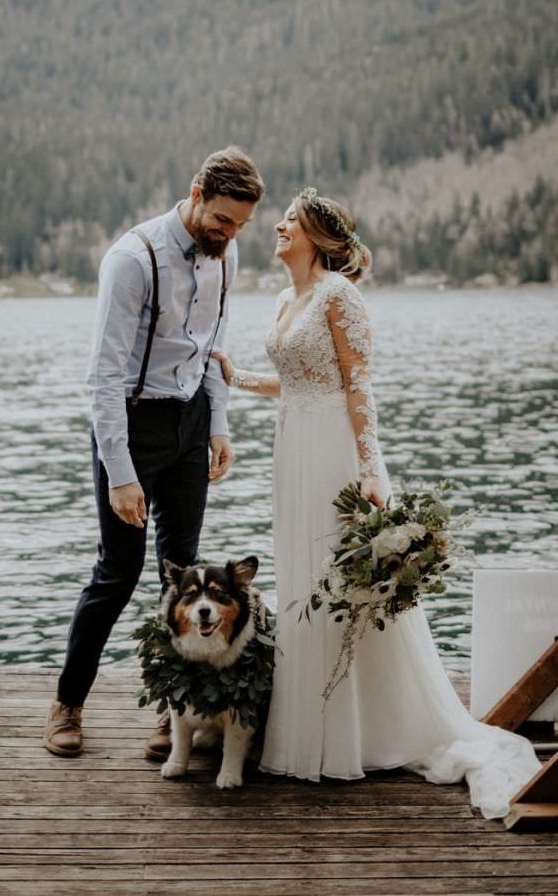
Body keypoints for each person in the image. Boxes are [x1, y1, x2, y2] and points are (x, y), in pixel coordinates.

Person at [213, 186, 541, 819]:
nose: (277, 227)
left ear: (316, 235)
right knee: (304, 578)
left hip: (336, 452)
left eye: (289, 221)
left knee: (342, 581)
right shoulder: (288, 298)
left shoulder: (341, 296)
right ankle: (311, 729)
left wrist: (370, 471)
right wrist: (238, 377)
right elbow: (300, 382)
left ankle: (361, 734)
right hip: (293, 450)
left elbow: (357, 385)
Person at [44, 146, 264, 759]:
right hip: (132, 424)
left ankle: (176, 715)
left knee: (187, 575)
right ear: (196, 193)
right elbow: (104, 377)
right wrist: (119, 473)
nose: (230, 234)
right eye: (222, 220)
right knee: (118, 574)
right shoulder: (131, 259)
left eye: (241, 225)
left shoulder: (228, 252)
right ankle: (68, 703)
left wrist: (218, 426)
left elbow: (214, 345)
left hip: (191, 422)